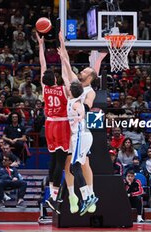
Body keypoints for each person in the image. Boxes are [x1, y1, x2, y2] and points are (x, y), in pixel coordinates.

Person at [58, 30, 107, 214]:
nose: (82, 71)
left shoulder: (89, 92)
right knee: (69, 164)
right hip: (69, 129)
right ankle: (73, 196)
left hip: (81, 130)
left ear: (89, 77)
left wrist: (80, 113)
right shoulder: (74, 84)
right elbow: (66, 65)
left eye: (85, 71)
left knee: (82, 163)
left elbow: (86, 108)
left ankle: (89, 196)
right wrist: (62, 44)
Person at [36, 32, 70, 213]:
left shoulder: (44, 89)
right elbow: (66, 70)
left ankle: (51, 194)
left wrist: (41, 45)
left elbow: (42, 65)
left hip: (49, 125)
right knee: (60, 162)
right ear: (55, 79)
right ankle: (55, 197)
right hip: (62, 124)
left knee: (53, 160)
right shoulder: (63, 89)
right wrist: (62, 49)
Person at [64, 79, 98, 215]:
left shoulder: (76, 103)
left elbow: (81, 110)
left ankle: (88, 197)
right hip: (80, 137)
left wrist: (81, 116)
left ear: (72, 91)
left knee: (74, 167)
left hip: (80, 136)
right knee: (74, 167)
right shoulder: (70, 99)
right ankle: (88, 196)